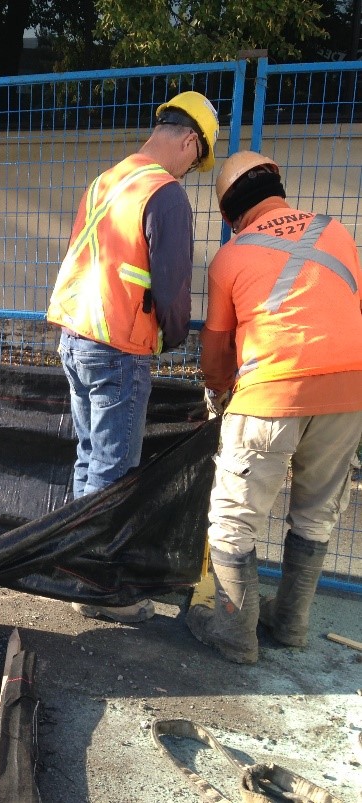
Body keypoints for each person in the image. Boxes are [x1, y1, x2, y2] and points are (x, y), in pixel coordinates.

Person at [47, 91, 220, 623]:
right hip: (118, 348)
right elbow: (172, 286)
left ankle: (76, 569)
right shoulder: (164, 193)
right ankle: (100, 592)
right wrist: (172, 336)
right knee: (114, 472)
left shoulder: (108, 179)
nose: (191, 171)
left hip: (76, 336)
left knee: (88, 460)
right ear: (190, 140)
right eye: (197, 159)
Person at [186, 150, 362, 663]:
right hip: (349, 393)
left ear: (229, 214)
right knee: (316, 513)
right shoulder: (338, 233)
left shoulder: (231, 256)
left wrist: (221, 395)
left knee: (233, 518)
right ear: (277, 188)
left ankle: (235, 633)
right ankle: (290, 623)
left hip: (272, 389)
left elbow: (216, 350)